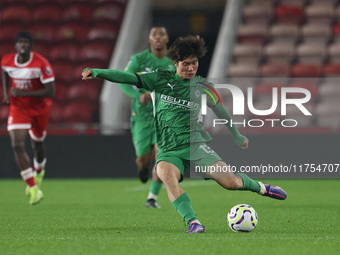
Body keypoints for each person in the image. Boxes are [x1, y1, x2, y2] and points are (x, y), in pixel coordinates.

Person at [81, 35, 287, 233]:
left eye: (194, 63)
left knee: (230, 183)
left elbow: (221, 110)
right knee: (167, 177)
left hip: (196, 146)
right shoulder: (160, 79)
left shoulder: (203, 86)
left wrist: (237, 136)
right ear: (175, 63)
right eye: (186, 64)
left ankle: (260, 187)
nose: (191, 68)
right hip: (169, 149)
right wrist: (98, 72)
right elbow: (128, 77)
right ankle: (193, 222)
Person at [119, 26, 175, 208]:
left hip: (164, 117)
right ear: (149, 40)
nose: (158, 38)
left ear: (167, 39)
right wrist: (138, 96)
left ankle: (152, 198)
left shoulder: (174, 61)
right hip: (142, 117)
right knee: (143, 159)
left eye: (161, 35)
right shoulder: (139, 60)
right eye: (154, 35)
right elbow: (124, 81)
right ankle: (142, 169)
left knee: (161, 157)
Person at [1, 31, 55, 205]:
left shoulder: (41, 64)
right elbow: (5, 72)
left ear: (31, 46)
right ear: (16, 45)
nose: (22, 45)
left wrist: (24, 92)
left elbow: (50, 91)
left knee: (37, 144)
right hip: (19, 108)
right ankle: (33, 188)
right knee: (16, 144)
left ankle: (39, 171)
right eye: (20, 42)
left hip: (39, 109)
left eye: (26, 42)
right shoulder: (7, 61)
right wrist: (6, 93)